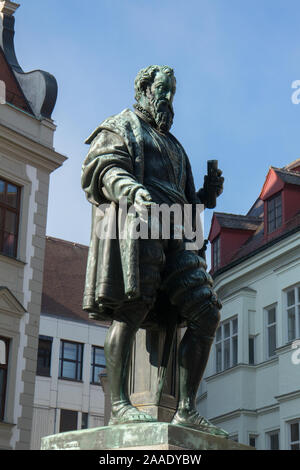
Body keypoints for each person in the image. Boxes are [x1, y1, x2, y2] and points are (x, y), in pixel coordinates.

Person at [81, 65, 227, 437]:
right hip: (139, 229)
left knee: (206, 312)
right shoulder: (120, 126)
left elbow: (186, 202)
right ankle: (119, 405)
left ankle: (186, 410)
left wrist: (205, 197)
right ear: (144, 89)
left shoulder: (176, 147)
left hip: (177, 235)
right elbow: (102, 170)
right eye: (163, 90)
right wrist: (130, 190)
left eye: (173, 92)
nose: (168, 98)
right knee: (131, 308)